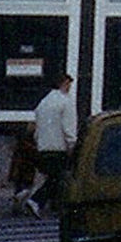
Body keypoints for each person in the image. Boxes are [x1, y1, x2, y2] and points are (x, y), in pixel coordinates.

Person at [28, 71, 77, 217]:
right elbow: (68, 128)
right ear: (65, 83)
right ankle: (36, 200)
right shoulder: (66, 102)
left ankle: (53, 206)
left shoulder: (43, 103)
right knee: (58, 179)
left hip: (44, 147)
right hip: (59, 147)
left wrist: (39, 142)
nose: (70, 88)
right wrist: (72, 145)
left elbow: (37, 128)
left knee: (53, 177)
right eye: (69, 85)